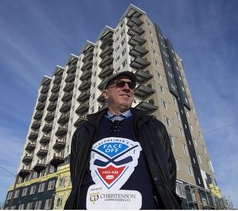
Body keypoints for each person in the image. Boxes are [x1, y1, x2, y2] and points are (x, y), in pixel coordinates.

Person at [64, 71, 182, 209]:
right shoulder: (84, 131)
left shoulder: (154, 127)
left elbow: (169, 172)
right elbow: (76, 172)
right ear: (106, 94)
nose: (127, 88)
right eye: (120, 84)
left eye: (131, 86)